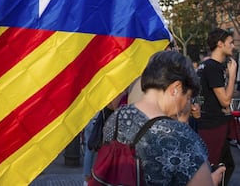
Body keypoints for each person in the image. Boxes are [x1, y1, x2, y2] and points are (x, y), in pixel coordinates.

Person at [101, 51, 225, 185]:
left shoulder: (117, 117)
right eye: (188, 97)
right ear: (176, 88)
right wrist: (212, 180)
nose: (185, 104)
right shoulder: (182, 136)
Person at [196, 28, 237, 184]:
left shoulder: (206, 66)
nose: (233, 46)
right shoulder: (213, 67)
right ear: (220, 44)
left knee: (227, 165)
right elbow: (225, 101)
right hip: (213, 125)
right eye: (230, 43)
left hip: (212, 122)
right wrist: (232, 75)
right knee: (215, 169)